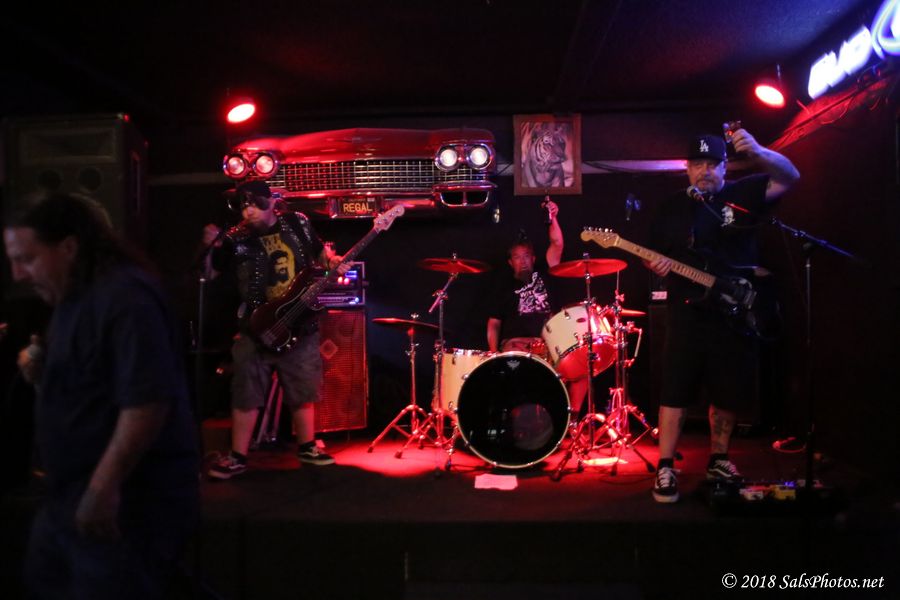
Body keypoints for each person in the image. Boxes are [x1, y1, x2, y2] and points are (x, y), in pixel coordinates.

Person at [4, 193, 200, 598]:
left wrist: (102, 488)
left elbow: (148, 402)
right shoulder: (73, 297)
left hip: (129, 500)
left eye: (27, 259)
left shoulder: (125, 297)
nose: (17, 274)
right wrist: (43, 376)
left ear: (68, 247)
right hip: (71, 494)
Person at [644, 128, 799, 503]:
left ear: (725, 166)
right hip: (686, 312)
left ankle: (719, 459)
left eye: (713, 164)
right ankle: (665, 465)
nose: (705, 171)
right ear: (687, 168)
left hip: (733, 311)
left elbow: (790, 176)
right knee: (675, 388)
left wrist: (759, 151)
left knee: (727, 389)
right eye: (698, 164)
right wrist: (656, 264)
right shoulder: (669, 208)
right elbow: (653, 254)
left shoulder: (743, 194)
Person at [204, 180, 346, 479]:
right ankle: (237, 456)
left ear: (270, 202)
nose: (248, 210)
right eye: (243, 205)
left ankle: (307, 447)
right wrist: (209, 248)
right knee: (246, 390)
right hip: (255, 326)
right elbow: (211, 274)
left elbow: (320, 254)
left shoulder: (297, 223)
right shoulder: (235, 238)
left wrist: (333, 262)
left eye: (254, 203)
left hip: (297, 320)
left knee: (303, 388)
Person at [486, 199, 590, 415]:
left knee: (583, 366)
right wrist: (494, 354)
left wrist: (553, 217)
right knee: (517, 376)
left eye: (526, 256)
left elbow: (557, 243)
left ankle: (571, 418)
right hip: (516, 346)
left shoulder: (546, 272)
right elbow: (493, 324)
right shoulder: (502, 287)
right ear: (510, 262)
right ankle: (520, 420)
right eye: (517, 257)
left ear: (533, 258)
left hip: (549, 345)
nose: (522, 261)